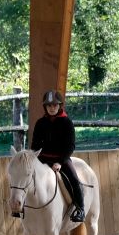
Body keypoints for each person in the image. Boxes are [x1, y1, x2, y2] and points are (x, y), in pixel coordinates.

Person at [30, 90, 85, 223]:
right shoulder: (40, 123)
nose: (52, 108)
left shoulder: (67, 123)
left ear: (59, 105)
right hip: (42, 158)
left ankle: (80, 209)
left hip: (61, 159)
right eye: (49, 105)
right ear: (45, 107)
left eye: (55, 105)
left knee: (74, 179)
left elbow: (70, 146)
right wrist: (33, 159)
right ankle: (21, 207)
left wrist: (60, 162)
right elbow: (35, 145)